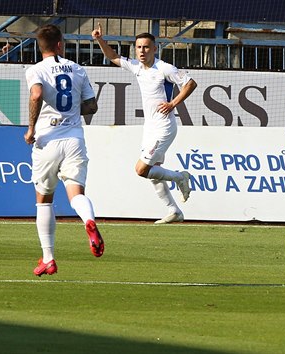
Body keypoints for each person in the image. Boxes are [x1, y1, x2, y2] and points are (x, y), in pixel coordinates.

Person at [92, 23, 195, 224]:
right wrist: (99, 40)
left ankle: (180, 177)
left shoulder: (164, 68)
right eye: (139, 47)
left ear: (154, 49)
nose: (142, 51)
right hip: (150, 128)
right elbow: (113, 57)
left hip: (164, 127)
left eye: (146, 47)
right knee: (154, 171)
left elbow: (190, 83)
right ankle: (174, 211)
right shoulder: (137, 67)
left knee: (141, 170)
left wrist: (173, 103)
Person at [25, 24, 104, 277]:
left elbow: (36, 95)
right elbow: (91, 106)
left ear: (41, 46)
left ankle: (48, 258)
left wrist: (30, 129)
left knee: (44, 200)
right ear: (60, 44)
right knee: (76, 193)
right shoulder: (78, 69)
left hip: (47, 139)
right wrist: (69, 112)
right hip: (74, 138)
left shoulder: (36, 69)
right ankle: (88, 221)